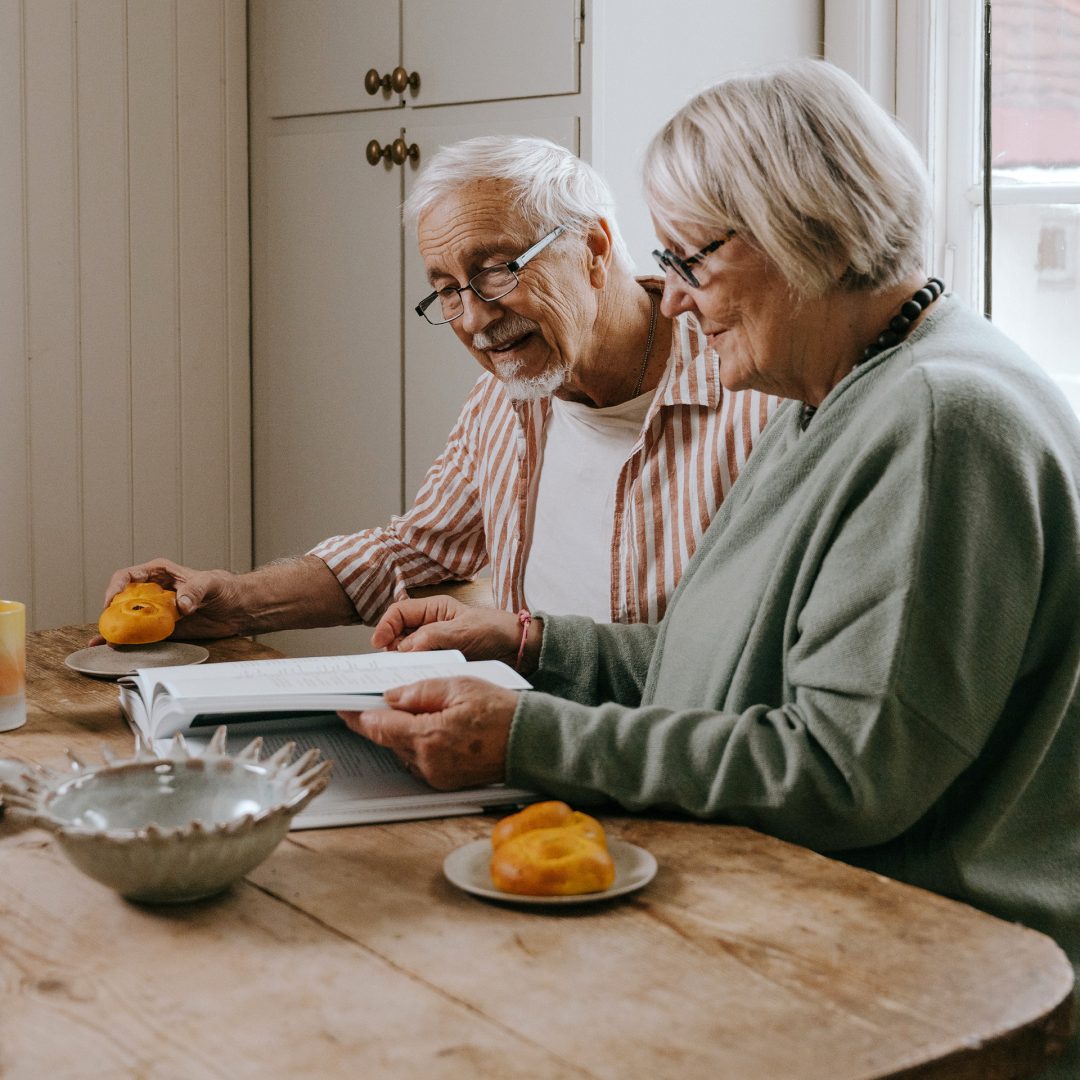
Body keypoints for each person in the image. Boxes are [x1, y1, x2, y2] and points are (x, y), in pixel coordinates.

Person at [342, 61, 1080, 1075]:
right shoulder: (835, 391)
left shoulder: (940, 420)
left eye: (691, 260)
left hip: (912, 974)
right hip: (798, 910)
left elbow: (843, 774)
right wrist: (535, 643)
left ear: (801, 229)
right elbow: (724, 657)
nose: (676, 302)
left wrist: (529, 738)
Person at [101, 136, 774, 638]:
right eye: (447, 291)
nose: (476, 319)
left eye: (497, 270)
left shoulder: (759, 397)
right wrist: (229, 601)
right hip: (525, 739)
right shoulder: (508, 397)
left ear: (595, 249)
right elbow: (417, 550)